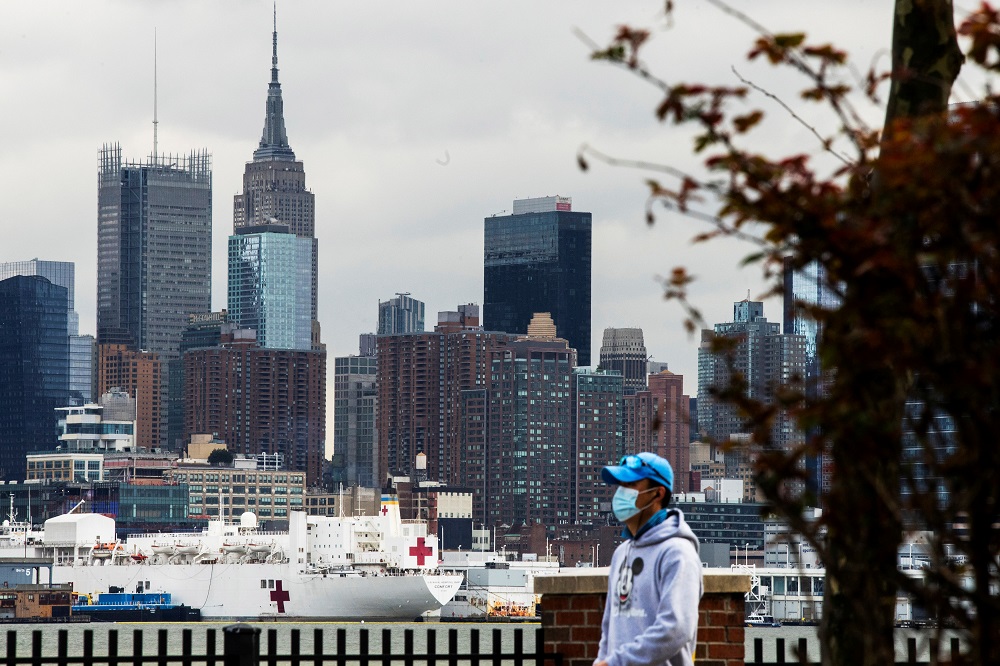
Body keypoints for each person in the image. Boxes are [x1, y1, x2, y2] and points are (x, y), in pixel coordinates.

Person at [594, 452, 703, 666]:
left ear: (658, 494)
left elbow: (675, 628)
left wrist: (616, 662)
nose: (620, 493)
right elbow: (609, 627)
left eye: (631, 484)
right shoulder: (621, 553)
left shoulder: (678, 553)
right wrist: (602, 660)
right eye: (620, 485)